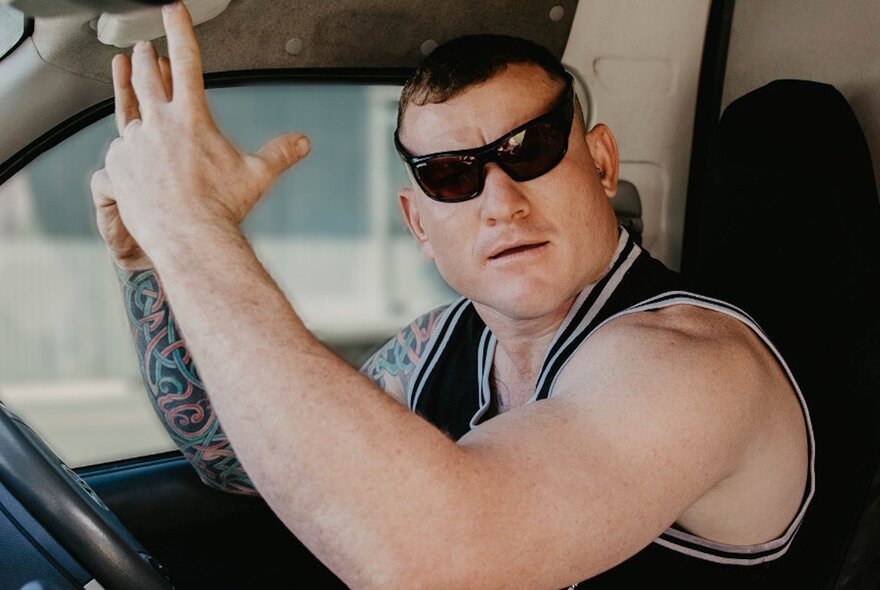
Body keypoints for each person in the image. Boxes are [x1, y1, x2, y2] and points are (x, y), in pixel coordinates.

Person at [90, 3, 813, 588]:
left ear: (598, 161)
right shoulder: (438, 345)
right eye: (451, 176)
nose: (499, 201)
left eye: (528, 150)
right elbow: (241, 458)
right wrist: (148, 265)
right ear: (418, 223)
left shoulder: (694, 366)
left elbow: (442, 565)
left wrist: (193, 229)